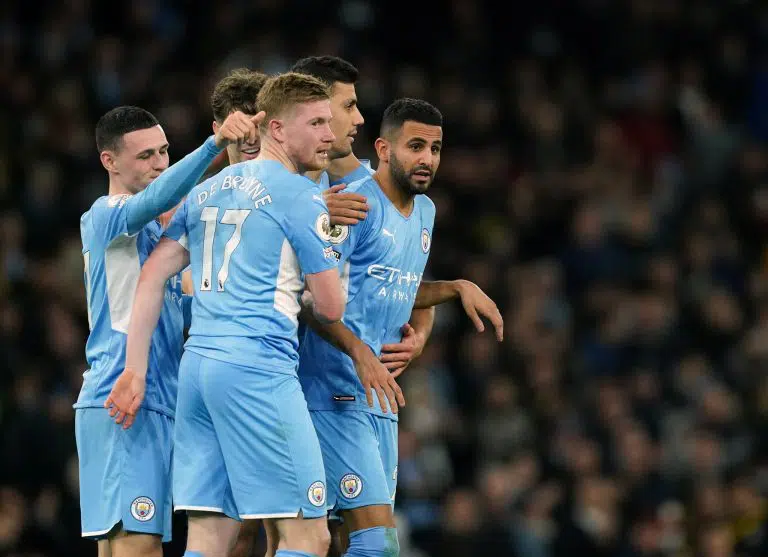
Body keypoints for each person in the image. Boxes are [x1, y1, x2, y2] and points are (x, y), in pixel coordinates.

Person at [106, 72, 388, 557]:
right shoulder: (301, 197)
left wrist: (135, 368)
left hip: (198, 372)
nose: (328, 134)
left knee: (210, 536)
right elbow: (330, 307)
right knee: (309, 535)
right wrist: (323, 246)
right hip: (259, 369)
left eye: (328, 122)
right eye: (315, 123)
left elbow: (151, 276)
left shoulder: (207, 190)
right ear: (276, 128)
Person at [297, 98, 503, 557]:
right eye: (415, 146)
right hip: (333, 392)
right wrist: (360, 353)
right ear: (384, 149)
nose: (427, 158)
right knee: (375, 543)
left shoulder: (426, 212)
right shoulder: (354, 204)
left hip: (381, 400)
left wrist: (454, 289)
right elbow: (311, 299)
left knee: (338, 540)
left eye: (435, 148)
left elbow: (399, 287)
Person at [77, 105, 260, 557]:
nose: (159, 163)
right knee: (138, 548)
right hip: (123, 396)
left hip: (154, 400)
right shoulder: (106, 216)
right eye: (145, 156)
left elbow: (190, 297)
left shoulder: (156, 244)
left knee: (123, 548)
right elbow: (158, 198)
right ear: (109, 161)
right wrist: (215, 147)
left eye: (163, 152)